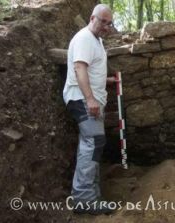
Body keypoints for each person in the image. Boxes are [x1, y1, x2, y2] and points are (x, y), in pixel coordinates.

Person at [63, 4, 117, 215]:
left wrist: (106, 80)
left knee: (91, 143)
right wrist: (90, 99)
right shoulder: (85, 38)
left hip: (87, 98)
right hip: (81, 99)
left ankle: (90, 195)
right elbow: (79, 68)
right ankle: (84, 199)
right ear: (91, 17)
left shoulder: (96, 41)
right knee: (93, 142)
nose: (105, 26)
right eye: (102, 21)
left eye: (108, 23)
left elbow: (91, 70)